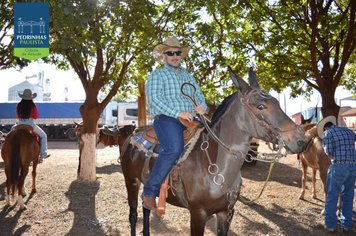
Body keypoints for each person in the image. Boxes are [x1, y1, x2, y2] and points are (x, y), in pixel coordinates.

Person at [143, 36, 207, 210]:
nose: (175, 56)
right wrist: (178, 112)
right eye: (170, 53)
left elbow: (199, 96)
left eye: (178, 53)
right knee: (174, 148)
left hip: (191, 120)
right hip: (167, 119)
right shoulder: (157, 75)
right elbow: (155, 99)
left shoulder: (188, 76)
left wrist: (201, 106)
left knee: (210, 142)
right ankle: (149, 191)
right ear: (164, 56)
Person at [317, 115, 356, 232]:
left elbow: (328, 151)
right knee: (348, 196)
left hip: (339, 166)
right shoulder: (347, 130)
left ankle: (330, 225)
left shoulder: (328, 133)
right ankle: (346, 224)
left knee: (332, 196)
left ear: (324, 128)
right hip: (353, 166)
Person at [13, 89, 50, 162]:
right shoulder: (33, 105)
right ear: (31, 97)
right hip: (30, 124)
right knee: (44, 136)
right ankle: (43, 154)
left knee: (9, 135)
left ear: (22, 97)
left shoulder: (19, 105)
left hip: (19, 123)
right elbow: (36, 116)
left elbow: (17, 116)